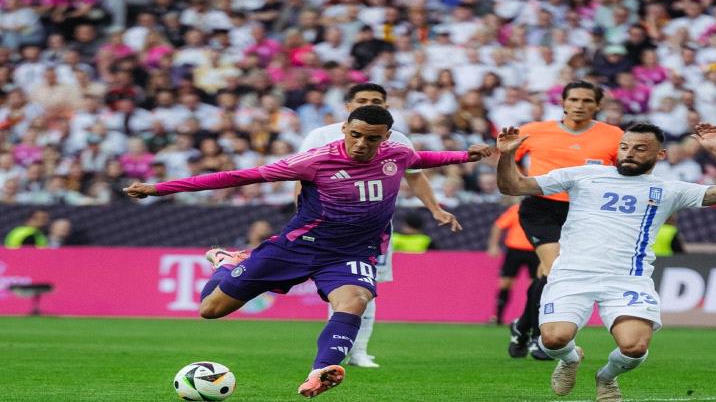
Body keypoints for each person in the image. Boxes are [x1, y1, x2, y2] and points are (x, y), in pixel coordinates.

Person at [124, 105, 493, 398]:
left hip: (353, 252)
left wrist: (467, 156)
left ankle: (320, 371)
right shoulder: (314, 160)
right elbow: (237, 177)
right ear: (344, 129)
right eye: (355, 135)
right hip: (297, 247)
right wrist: (159, 188)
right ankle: (227, 260)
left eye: (372, 138)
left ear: (385, 138)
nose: (362, 144)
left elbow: (424, 158)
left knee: (355, 300)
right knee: (210, 310)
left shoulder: (397, 154)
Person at [495, 122, 716, 401]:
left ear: (660, 155)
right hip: (571, 274)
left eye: (640, 148)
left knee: (635, 346)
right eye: (624, 147)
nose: (629, 153)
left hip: (628, 278)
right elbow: (513, 186)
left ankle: (606, 377)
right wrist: (507, 155)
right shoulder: (584, 175)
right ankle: (570, 359)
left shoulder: (669, 190)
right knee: (553, 340)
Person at [297, 83, 460, 368]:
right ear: (348, 106)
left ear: (386, 106)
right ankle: (340, 349)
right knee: (339, 288)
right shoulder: (320, 136)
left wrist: (435, 208)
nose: (369, 104)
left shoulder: (398, 140)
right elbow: (301, 178)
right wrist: (302, 218)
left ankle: (358, 350)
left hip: (373, 230)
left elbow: (416, 176)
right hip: (327, 226)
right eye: (362, 100)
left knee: (365, 288)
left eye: (376, 100)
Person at [508, 81, 623, 360]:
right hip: (542, 208)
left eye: (587, 101)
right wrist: (520, 181)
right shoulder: (533, 131)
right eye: (573, 100)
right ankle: (541, 338)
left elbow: (624, 172)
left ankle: (522, 326)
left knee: (545, 274)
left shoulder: (614, 135)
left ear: (598, 105)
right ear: (563, 102)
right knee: (556, 270)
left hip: (586, 212)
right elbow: (507, 158)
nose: (579, 105)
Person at [486, 203, 539, 325]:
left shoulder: (544, 209)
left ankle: (532, 318)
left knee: (535, 286)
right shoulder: (517, 209)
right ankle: (497, 317)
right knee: (505, 283)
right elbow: (498, 226)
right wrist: (493, 245)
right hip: (515, 251)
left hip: (536, 251)